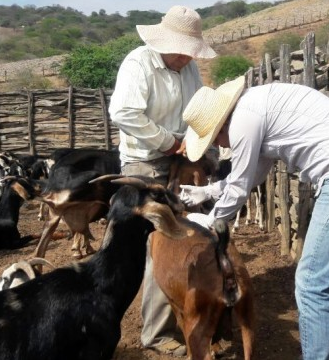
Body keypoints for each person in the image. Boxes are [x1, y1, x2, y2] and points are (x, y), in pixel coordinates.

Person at [179, 76, 329, 360]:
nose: (221, 144)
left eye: (216, 138)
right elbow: (252, 175)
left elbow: (241, 185)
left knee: (310, 281)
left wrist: (210, 220)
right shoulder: (258, 107)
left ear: (221, 125)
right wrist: (207, 191)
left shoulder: (245, 117)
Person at [108, 5, 216, 357]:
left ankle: (169, 324)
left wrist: (188, 149)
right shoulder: (139, 63)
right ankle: (138, 327)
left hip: (178, 156)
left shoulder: (189, 69)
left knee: (174, 241)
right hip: (142, 161)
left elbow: (197, 107)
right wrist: (167, 142)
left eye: (191, 52)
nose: (188, 58)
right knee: (145, 243)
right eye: (183, 51)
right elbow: (123, 112)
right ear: (164, 42)